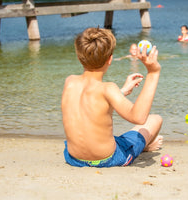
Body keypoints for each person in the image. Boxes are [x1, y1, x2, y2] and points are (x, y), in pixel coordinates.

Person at [62, 27, 163, 168]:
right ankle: (144, 147)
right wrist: (153, 73)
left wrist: (121, 92)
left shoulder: (70, 82)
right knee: (155, 119)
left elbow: (94, 105)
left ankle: (142, 145)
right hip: (107, 159)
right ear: (110, 59)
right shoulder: (108, 89)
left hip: (73, 157)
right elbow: (139, 118)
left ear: (79, 57)